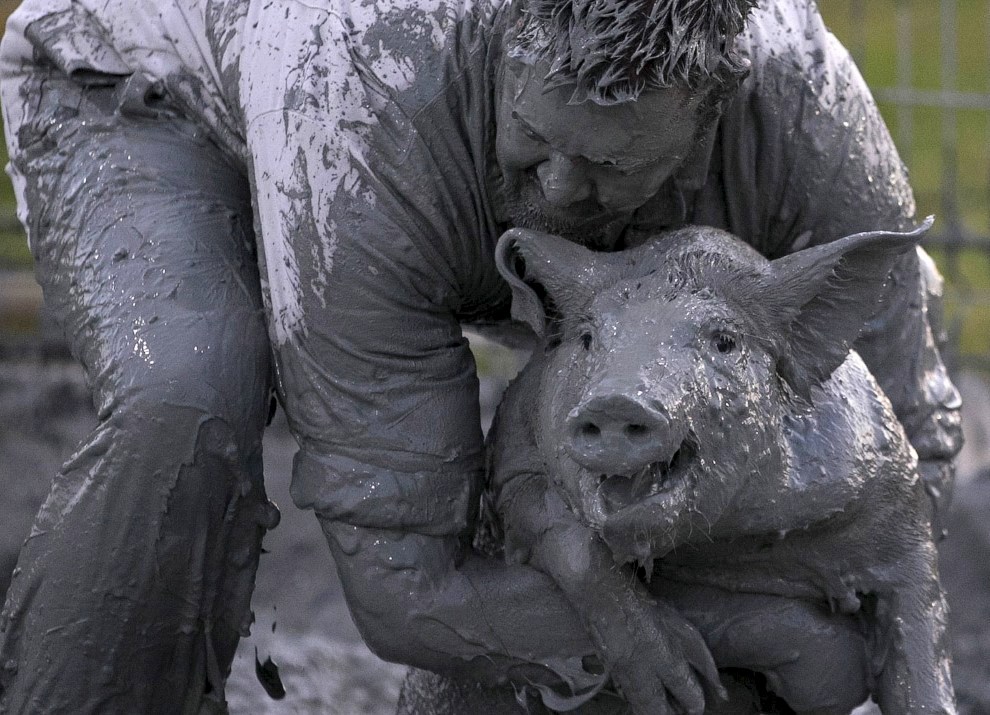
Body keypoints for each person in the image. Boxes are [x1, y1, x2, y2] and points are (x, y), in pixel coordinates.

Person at [0, 0, 961, 712]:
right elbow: (407, 587)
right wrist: (769, 635)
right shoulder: (362, 98)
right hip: (133, 86)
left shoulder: (804, 111)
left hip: (368, 142)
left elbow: (912, 455)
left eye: (609, 168)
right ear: (503, 39)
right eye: (535, 140)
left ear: (711, 121)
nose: (551, 188)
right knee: (194, 385)